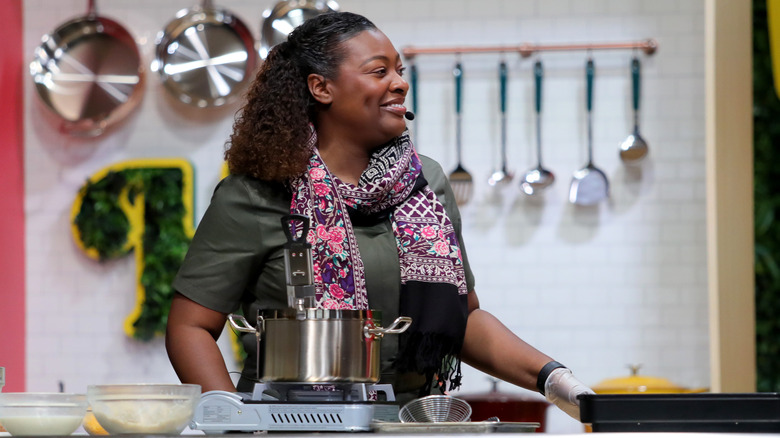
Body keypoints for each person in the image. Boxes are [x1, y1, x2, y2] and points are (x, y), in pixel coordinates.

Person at [165, 11, 593, 420]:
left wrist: (553, 378)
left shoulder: (426, 182)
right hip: (291, 423)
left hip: (413, 420)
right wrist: (230, 421)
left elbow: (463, 321)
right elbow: (191, 327)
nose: (400, 84)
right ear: (321, 88)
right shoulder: (257, 193)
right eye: (379, 71)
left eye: (400, 71)